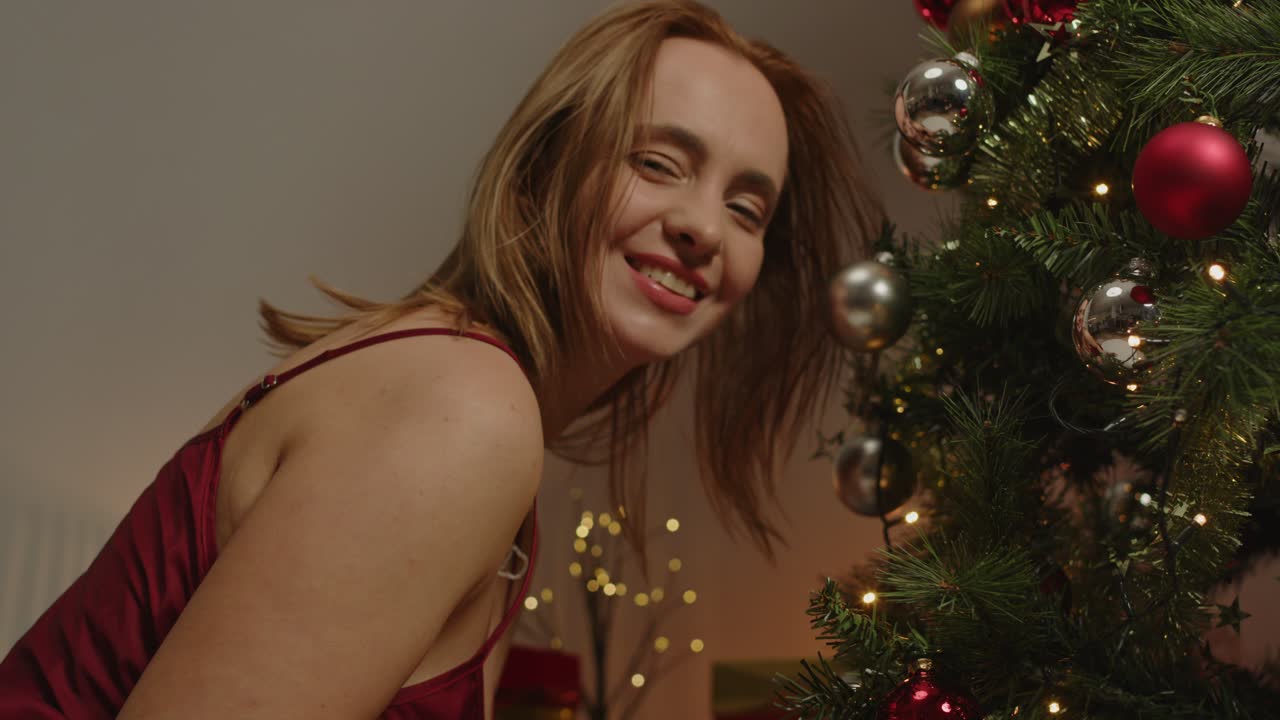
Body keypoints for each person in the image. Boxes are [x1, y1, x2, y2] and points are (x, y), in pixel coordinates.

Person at [0, 1, 881, 717]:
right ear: (545, 166)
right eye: (657, 162)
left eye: (747, 209)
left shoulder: (474, 404)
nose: (703, 227)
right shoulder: (462, 409)